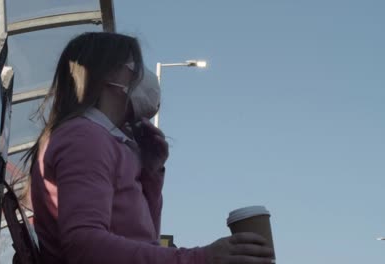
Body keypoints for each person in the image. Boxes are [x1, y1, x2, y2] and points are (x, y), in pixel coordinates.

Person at [24, 32, 275, 264]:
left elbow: (144, 240)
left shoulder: (99, 139)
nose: (142, 78)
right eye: (135, 68)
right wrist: (202, 258)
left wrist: (150, 174)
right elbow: (84, 246)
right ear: (107, 76)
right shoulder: (84, 138)